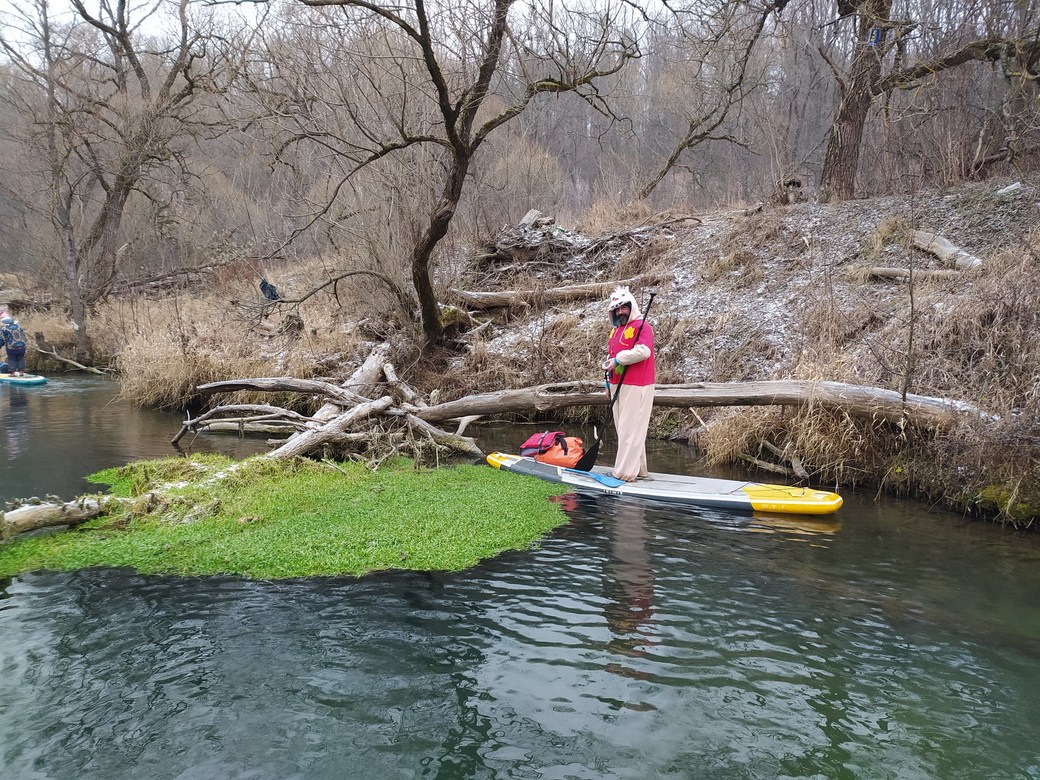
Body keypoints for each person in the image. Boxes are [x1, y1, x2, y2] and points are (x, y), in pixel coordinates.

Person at [601, 287, 655, 481]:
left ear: (631, 307)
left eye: (623, 308)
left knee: (630, 429)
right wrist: (607, 383)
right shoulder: (616, 331)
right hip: (617, 383)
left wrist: (619, 360)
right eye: (616, 309)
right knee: (625, 429)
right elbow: (610, 356)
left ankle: (623, 473)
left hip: (637, 384)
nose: (620, 312)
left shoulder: (643, 327)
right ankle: (638, 469)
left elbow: (643, 351)